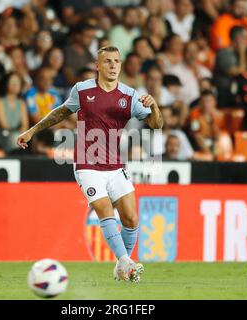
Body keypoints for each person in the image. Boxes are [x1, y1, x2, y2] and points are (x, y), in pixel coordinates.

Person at [16, 46, 163, 283]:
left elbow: (156, 125)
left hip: (115, 166)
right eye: (107, 61)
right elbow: (61, 112)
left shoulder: (130, 95)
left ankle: (121, 264)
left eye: (117, 61)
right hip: (87, 165)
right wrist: (32, 130)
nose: (113, 65)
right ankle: (127, 262)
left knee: (131, 219)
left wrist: (154, 105)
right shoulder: (82, 90)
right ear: (98, 65)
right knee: (105, 210)